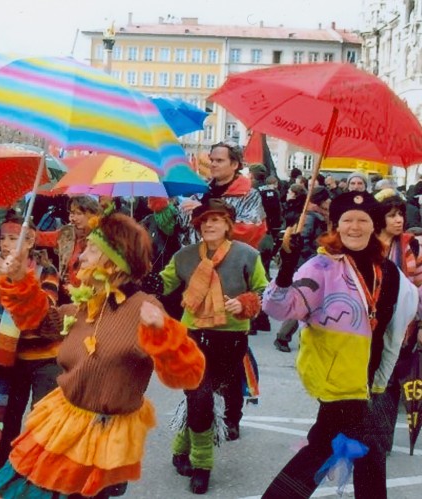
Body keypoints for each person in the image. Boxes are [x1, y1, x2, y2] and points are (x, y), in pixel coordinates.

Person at [0, 213, 206, 499]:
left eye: (91, 250)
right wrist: (16, 276)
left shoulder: (144, 309)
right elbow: (44, 322)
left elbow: (188, 374)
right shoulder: (89, 303)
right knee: (14, 489)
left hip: (99, 441)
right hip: (61, 424)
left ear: (115, 262)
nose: (81, 257)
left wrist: (162, 334)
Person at [261, 191, 418, 499]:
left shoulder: (389, 273)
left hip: (371, 382)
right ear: (336, 225)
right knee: (331, 448)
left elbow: (405, 315)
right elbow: (278, 308)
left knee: (357, 451)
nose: (355, 227)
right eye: (348, 220)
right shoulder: (321, 268)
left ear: (374, 225)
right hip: (338, 384)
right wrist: (287, 267)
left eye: (363, 220)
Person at [161, 199, 268, 494]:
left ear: (228, 225)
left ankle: (180, 450)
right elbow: (163, 284)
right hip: (192, 335)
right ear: (197, 225)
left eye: (216, 220)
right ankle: (202, 465)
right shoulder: (184, 256)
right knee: (201, 396)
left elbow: (263, 291)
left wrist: (245, 303)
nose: (209, 225)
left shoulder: (247, 255)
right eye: (204, 221)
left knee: (203, 400)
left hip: (231, 338)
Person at [0, 212, 61, 476]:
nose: (5, 244)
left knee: (41, 426)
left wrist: (18, 281)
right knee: (5, 425)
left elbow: (47, 309)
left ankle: (40, 479)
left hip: (44, 360)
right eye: (3, 238)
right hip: (8, 361)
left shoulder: (45, 271)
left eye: (14, 238)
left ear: (30, 241)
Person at [371, 190, 422, 453]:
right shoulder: (366, 243)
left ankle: (382, 440)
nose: (399, 220)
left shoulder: (411, 244)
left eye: (401, 214)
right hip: (370, 321)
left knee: (390, 380)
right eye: (392, 215)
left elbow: (420, 285)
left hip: (403, 322)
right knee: (366, 378)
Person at [178, 142, 267, 250]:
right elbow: (180, 225)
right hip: (195, 259)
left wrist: (203, 211)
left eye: (219, 160)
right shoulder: (201, 192)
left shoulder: (248, 195)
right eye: (212, 160)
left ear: (234, 164)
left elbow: (248, 231)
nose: (213, 164)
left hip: (230, 261)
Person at [274, 187, 331, 352]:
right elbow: (302, 241)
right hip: (308, 264)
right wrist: (313, 259)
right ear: (322, 200)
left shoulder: (321, 215)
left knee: (309, 302)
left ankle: (294, 338)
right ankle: (283, 336)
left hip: (317, 263)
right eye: (327, 199)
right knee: (304, 301)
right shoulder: (310, 216)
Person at [37, 195, 103, 302]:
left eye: (78, 213)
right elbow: (40, 238)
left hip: (92, 298)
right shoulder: (67, 234)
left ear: (93, 214)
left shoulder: (102, 238)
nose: (73, 218)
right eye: (71, 213)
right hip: (65, 297)